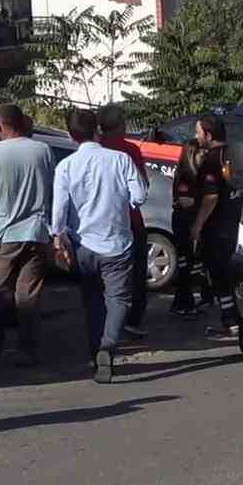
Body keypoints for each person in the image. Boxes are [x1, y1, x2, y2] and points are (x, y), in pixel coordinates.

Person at [51, 108, 144, 383]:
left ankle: (96, 353)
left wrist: (58, 236)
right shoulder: (121, 159)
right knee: (118, 299)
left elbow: (58, 211)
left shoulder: (65, 166)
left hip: (83, 244)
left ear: (70, 135)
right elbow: (139, 195)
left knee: (92, 301)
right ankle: (108, 345)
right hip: (117, 241)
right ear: (97, 130)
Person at [0, 104, 55, 368]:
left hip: (1, 234)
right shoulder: (42, 150)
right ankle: (28, 349)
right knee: (28, 294)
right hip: (36, 231)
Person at [96, 104, 150, 337]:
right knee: (136, 274)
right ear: (121, 125)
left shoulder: (95, 149)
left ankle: (104, 320)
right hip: (130, 220)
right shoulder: (129, 150)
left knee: (100, 278)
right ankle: (132, 319)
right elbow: (141, 187)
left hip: (98, 222)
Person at [192, 114, 240, 339]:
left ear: (208, 135)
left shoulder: (212, 160)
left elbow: (210, 198)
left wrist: (197, 226)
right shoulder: (235, 153)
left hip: (217, 228)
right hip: (235, 224)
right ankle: (237, 319)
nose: (195, 136)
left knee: (218, 276)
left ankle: (230, 322)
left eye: (198, 132)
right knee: (231, 276)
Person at [169, 139, 214, 316]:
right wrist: (204, 205)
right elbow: (185, 200)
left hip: (191, 221)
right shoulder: (186, 174)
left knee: (193, 265)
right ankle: (181, 303)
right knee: (185, 265)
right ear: (192, 154)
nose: (204, 155)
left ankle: (189, 301)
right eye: (201, 152)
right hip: (184, 222)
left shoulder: (199, 174)